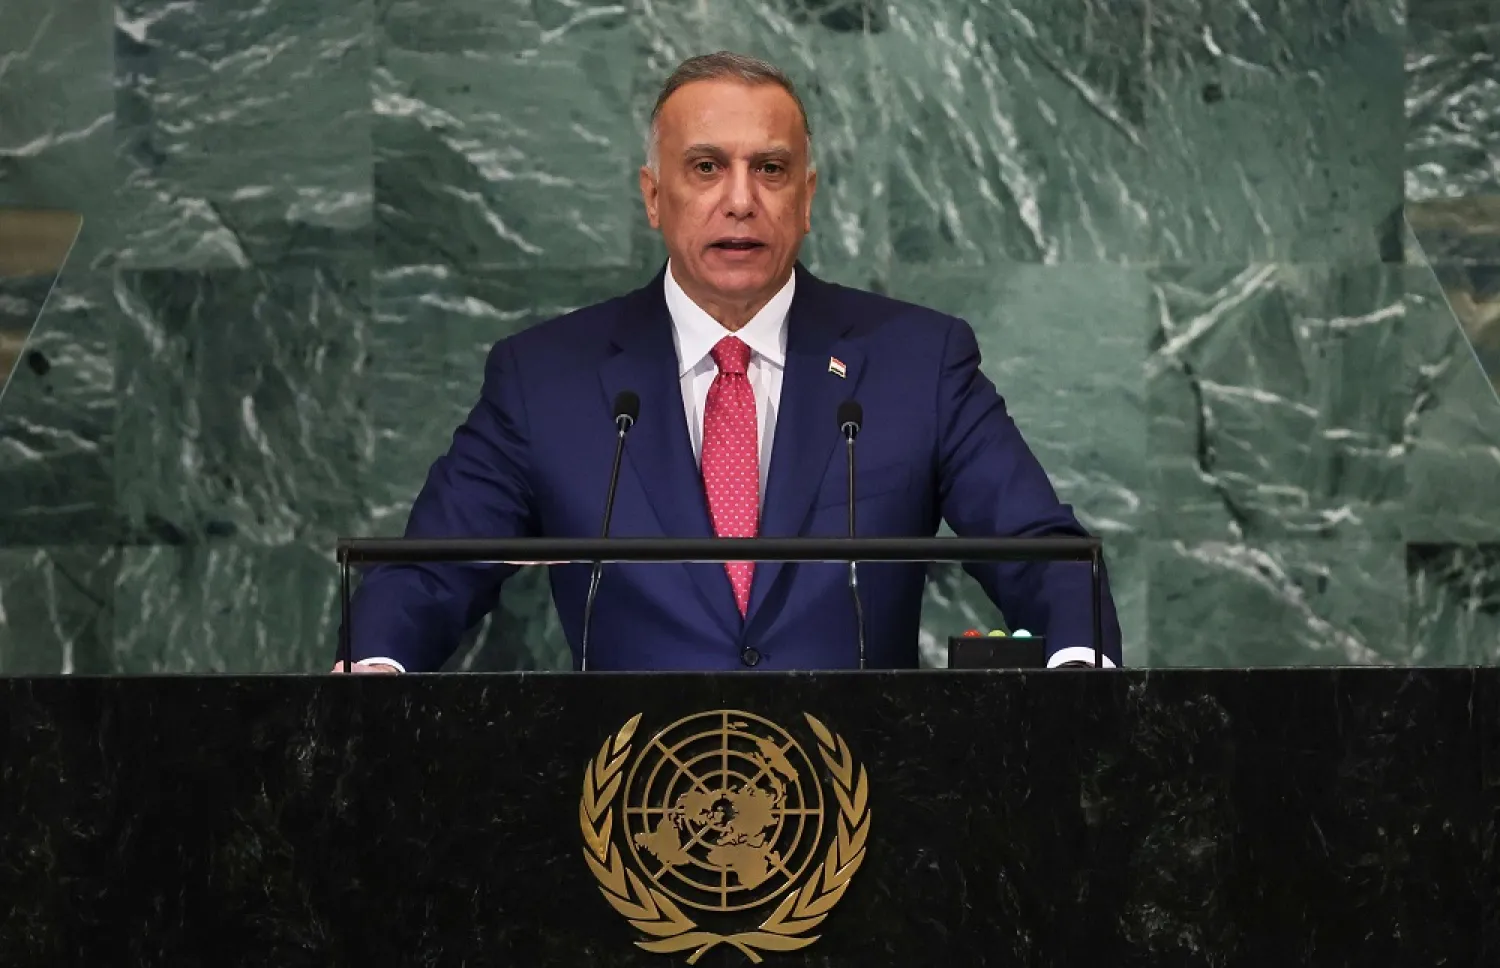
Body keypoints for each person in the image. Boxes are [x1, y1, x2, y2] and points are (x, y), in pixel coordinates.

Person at [335, 51, 1122, 674]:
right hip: (618, 818)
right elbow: (427, 572)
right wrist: (376, 665)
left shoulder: (919, 362)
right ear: (652, 196)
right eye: (706, 167)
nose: (740, 200)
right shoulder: (546, 380)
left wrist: (1080, 668)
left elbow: (1044, 552)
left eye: (770, 170)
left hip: (866, 812)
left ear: (806, 198)